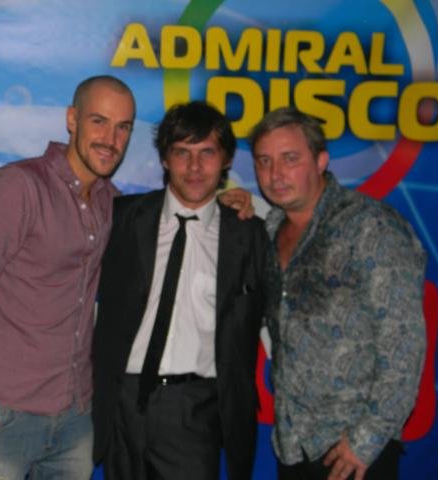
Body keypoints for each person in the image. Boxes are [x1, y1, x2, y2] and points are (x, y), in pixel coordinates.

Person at [0, 75, 135, 479]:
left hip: (76, 417)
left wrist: (225, 202)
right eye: (99, 121)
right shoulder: (20, 186)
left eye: (123, 127)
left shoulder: (111, 201)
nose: (110, 139)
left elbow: (166, 221)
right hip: (4, 413)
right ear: (72, 120)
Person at [92, 100, 268, 480]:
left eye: (207, 153)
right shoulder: (122, 218)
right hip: (121, 404)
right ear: (164, 159)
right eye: (182, 152)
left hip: (195, 410)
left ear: (226, 160)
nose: (194, 167)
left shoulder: (248, 234)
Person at [249, 107, 427, 480]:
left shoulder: (371, 226)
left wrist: (366, 440)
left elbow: (403, 344)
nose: (275, 174)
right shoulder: (269, 230)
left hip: (354, 451)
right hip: (293, 444)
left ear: (321, 161)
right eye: (264, 161)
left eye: (290, 158)